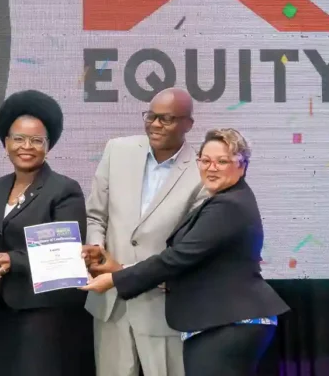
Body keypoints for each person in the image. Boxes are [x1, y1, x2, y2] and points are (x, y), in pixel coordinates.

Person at [82, 128, 290, 376]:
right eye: (205, 160)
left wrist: (115, 279)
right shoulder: (225, 199)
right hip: (221, 322)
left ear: (242, 166)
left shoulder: (228, 206)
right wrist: (119, 268)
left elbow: (177, 258)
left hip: (229, 322)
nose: (211, 168)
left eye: (222, 161)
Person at [82, 87, 207, 376]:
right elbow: (96, 214)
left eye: (166, 119)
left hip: (162, 306)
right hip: (110, 305)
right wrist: (96, 247)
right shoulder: (117, 150)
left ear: (188, 124)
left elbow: (188, 248)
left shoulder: (202, 172)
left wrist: (129, 272)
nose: (154, 124)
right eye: (150, 116)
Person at [0, 89, 95, 376]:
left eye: (36, 140)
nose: (26, 146)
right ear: (5, 143)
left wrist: (13, 261)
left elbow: (66, 254)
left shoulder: (64, 189)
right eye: (18, 139)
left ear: (48, 146)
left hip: (43, 312)